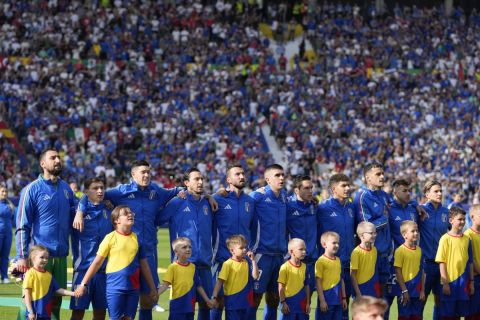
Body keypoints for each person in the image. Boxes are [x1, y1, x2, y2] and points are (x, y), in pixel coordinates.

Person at [79, 160, 203, 320]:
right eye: (143, 172)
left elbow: (182, 191)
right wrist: (80, 210)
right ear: (133, 174)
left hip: (148, 254)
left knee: (147, 300)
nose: (146, 175)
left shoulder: (156, 191)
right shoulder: (120, 191)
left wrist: (207, 195)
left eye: (148, 172)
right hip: (125, 256)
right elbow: (91, 194)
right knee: (123, 305)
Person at [16, 149, 77, 320]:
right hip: (40, 257)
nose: (58, 160)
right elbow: (22, 225)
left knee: (56, 302)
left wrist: (82, 209)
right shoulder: (32, 189)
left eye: (59, 157)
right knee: (32, 303)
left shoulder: (66, 188)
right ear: (43, 164)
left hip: (61, 257)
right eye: (53, 158)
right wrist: (21, 256)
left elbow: (77, 210)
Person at [76, 205, 158, 320]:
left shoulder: (137, 238)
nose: (130, 214)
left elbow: (144, 265)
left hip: (133, 288)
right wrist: (83, 284)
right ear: (116, 220)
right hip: (115, 288)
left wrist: (152, 288)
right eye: (126, 213)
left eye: (131, 212)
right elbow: (96, 263)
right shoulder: (109, 238)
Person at [162, 168, 214, 320]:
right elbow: (157, 219)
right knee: (183, 309)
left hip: (204, 263)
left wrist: (210, 197)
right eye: (196, 179)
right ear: (186, 183)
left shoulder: (207, 203)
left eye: (201, 179)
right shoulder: (177, 201)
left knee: (206, 305)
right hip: (184, 266)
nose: (200, 182)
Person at [211, 165, 255, 320]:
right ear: (228, 179)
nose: (242, 176)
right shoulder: (218, 199)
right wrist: (211, 195)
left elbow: (254, 228)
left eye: (243, 173)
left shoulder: (250, 201)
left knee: (244, 300)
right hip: (221, 258)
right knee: (217, 301)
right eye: (237, 174)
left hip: (242, 260)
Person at [248, 164, 287, 320]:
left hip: (279, 255)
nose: (282, 178)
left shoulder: (284, 196)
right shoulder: (257, 196)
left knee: (274, 297)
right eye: (277, 175)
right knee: (255, 297)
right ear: (267, 179)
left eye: (283, 175)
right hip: (261, 255)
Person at [70, 178, 113, 320]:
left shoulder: (109, 210)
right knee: (77, 313)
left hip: (103, 272)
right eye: (95, 188)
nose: (100, 191)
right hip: (83, 271)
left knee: (100, 313)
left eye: (102, 187)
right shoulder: (76, 212)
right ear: (87, 191)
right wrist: (80, 209)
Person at [317, 173, 355, 319]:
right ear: (334, 188)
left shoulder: (351, 207)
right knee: (326, 308)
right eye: (343, 186)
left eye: (348, 185)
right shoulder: (322, 208)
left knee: (343, 307)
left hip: (347, 265)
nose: (347, 188)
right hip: (329, 267)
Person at [354, 163, 391, 293]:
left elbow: (398, 205)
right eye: (378, 174)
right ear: (368, 178)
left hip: (385, 255)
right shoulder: (362, 196)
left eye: (382, 173)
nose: (382, 176)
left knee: (382, 302)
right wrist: (385, 218)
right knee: (368, 300)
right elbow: (366, 228)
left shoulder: (383, 195)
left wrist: (416, 205)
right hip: (370, 255)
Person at [157, 237, 215, 320]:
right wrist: (156, 294)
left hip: (190, 305)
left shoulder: (193, 267)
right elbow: (166, 285)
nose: (188, 249)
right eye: (184, 247)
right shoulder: (173, 267)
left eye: (189, 247)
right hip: (177, 304)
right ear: (176, 252)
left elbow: (198, 285)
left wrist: (207, 300)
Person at [418, 180, 450, 320]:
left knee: (440, 301)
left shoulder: (446, 212)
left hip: (442, 264)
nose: (439, 193)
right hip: (425, 264)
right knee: (422, 300)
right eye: (436, 191)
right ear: (427, 194)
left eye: (441, 191)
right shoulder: (421, 210)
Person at [435, 206, 474, 319]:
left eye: (463, 219)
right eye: (459, 219)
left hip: (463, 284)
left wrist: (471, 282)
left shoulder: (467, 239)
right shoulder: (445, 239)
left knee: (459, 315)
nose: (462, 222)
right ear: (451, 220)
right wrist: (445, 283)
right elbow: (441, 262)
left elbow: (470, 262)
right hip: (450, 283)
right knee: (447, 315)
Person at [23, 245, 78, 320]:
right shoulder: (30, 273)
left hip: (46, 313)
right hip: (34, 314)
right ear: (33, 258)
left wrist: (74, 293)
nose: (45, 260)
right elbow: (27, 294)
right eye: (42, 257)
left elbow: (58, 290)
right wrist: (30, 311)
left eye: (46, 258)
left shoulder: (49, 275)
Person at [211, 235, 259, 320]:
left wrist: (253, 261)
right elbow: (219, 282)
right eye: (241, 248)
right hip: (232, 303)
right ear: (232, 250)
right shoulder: (227, 264)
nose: (245, 250)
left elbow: (255, 276)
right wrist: (214, 297)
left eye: (245, 247)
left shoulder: (247, 262)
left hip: (246, 302)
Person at [286, 175, 318, 299]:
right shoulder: (287, 205)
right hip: (293, 261)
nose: (310, 191)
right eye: (306, 188)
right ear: (296, 190)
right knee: (290, 300)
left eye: (311, 188)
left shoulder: (314, 206)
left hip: (311, 260)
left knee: (307, 300)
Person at [393, 221, 425, 320]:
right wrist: (404, 290)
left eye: (417, 231)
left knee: (416, 317)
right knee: (404, 317)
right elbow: (398, 272)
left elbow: (422, 272)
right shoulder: (400, 251)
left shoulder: (419, 250)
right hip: (405, 291)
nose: (416, 233)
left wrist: (423, 290)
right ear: (404, 235)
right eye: (413, 231)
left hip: (417, 291)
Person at [315, 231, 347, 320]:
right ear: (324, 244)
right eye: (334, 243)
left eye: (338, 243)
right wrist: (322, 301)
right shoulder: (321, 261)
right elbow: (318, 282)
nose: (337, 245)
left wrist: (344, 298)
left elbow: (341, 280)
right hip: (327, 301)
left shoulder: (338, 260)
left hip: (338, 301)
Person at [278, 238, 310, 320]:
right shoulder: (285, 267)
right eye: (301, 249)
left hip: (302, 304)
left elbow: (306, 286)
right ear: (291, 251)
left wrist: (308, 303)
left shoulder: (305, 267)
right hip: (289, 304)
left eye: (305, 249)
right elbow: (281, 286)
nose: (304, 252)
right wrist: (283, 302)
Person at [350, 221, 381, 298]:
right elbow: (353, 275)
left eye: (375, 233)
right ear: (362, 236)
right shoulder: (356, 252)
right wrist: (358, 293)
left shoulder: (375, 250)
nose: (374, 235)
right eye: (371, 233)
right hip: (361, 289)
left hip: (373, 290)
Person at [464, 204, 480, 319]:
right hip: (475, 278)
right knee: (473, 312)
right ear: (473, 217)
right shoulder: (467, 235)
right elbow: (471, 258)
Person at [0, 185, 14, 283]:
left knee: (5, 255)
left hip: (8, 234)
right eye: (2, 191)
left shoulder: (10, 205)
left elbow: (13, 219)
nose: (4, 193)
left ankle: (4, 276)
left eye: (6, 192)